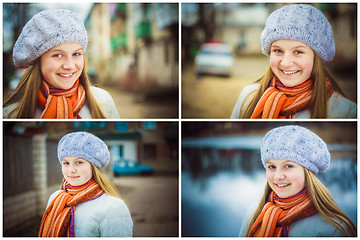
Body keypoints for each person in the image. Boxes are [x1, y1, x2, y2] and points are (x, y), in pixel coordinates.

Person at [231, 4, 356, 119]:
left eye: (298, 52)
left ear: (316, 57)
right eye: (278, 51)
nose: (285, 63)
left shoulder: (346, 111)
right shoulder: (248, 97)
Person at [239, 125, 356, 237]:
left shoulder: (333, 228)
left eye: (288, 166)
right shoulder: (255, 213)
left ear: (307, 172)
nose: (278, 176)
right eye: (272, 167)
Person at [4, 9, 120, 118]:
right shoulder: (10, 114)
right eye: (57, 55)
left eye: (76, 54)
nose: (69, 66)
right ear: (38, 61)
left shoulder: (103, 102)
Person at [39, 132, 133, 237]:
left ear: (93, 167)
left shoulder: (113, 207)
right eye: (66, 163)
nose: (71, 170)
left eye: (79, 162)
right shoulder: (55, 198)